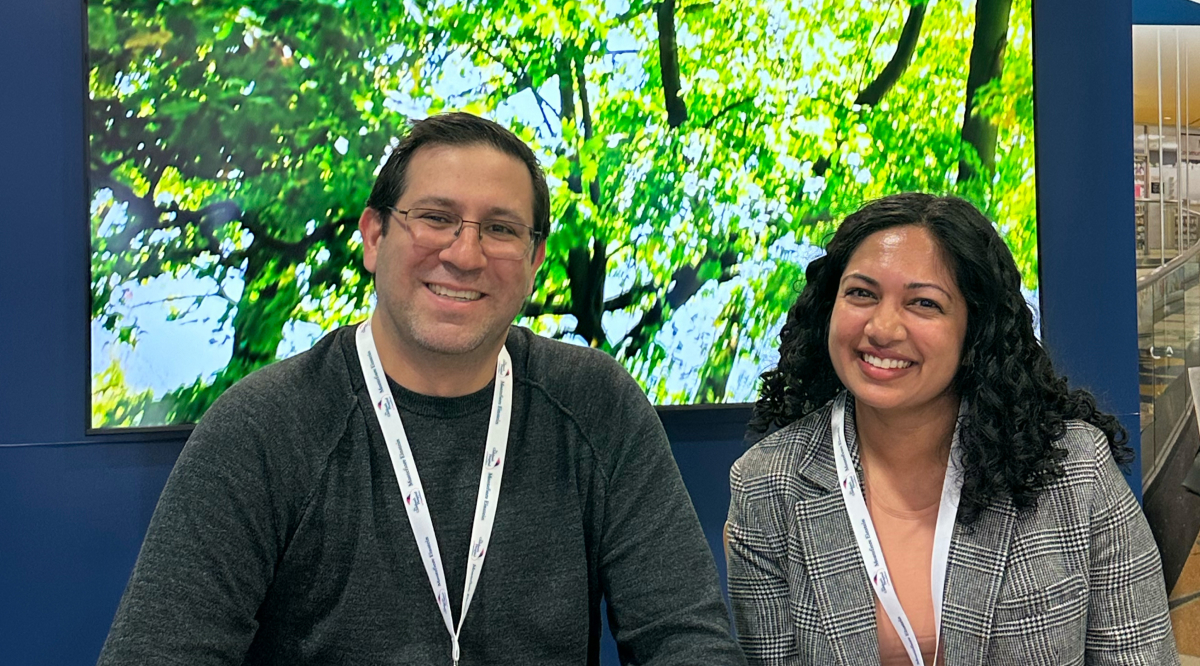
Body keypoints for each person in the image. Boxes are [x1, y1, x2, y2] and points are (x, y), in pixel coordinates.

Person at [98, 112, 745, 666]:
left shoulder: (595, 404)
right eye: (436, 217)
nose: (465, 254)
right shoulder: (264, 427)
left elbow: (686, 639)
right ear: (373, 237)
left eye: (500, 228)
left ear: (534, 260)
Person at [726, 193, 1178, 665]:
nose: (882, 328)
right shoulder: (768, 485)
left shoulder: (1074, 470)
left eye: (923, 303)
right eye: (861, 293)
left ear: (974, 329)